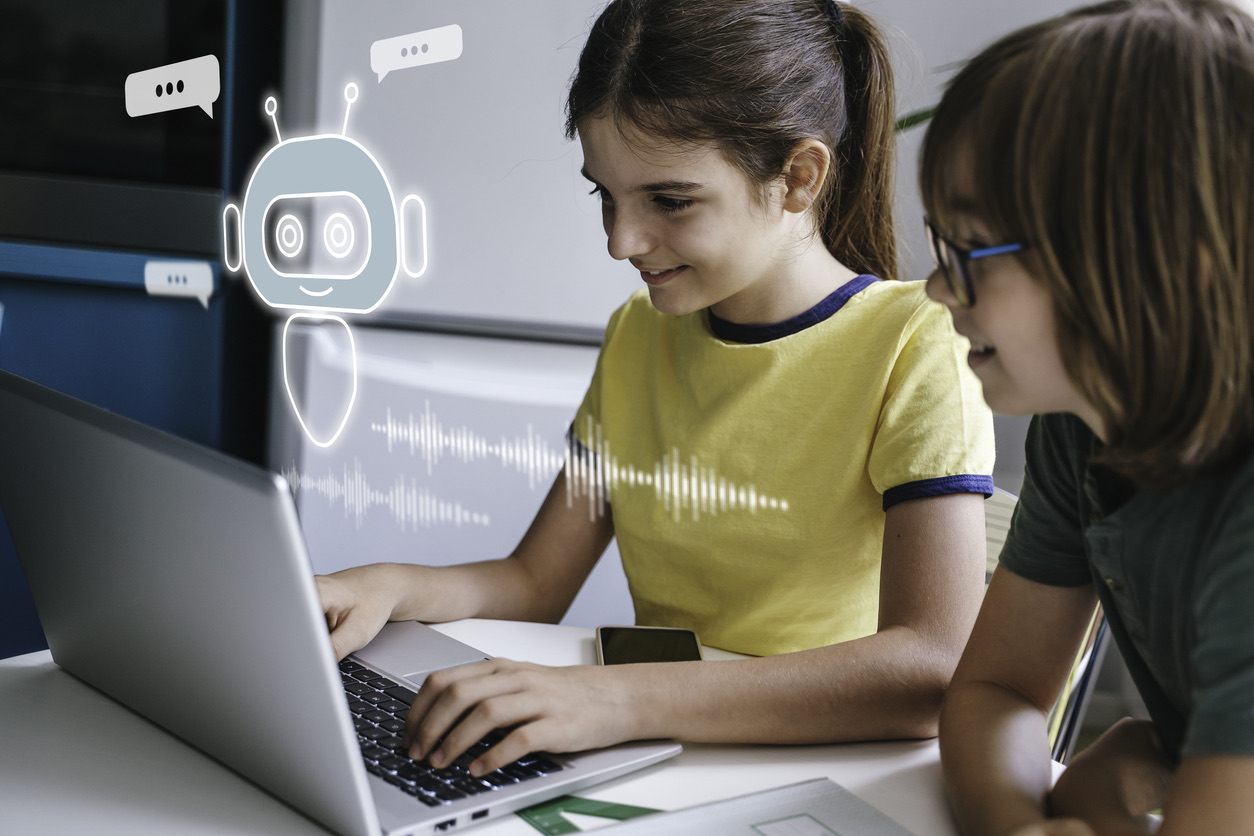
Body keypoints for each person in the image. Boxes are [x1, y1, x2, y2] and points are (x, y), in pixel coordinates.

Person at [319, 0, 994, 777]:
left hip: (813, 768)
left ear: (799, 178)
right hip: (660, 754)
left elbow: (931, 669)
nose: (621, 241)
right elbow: (535, 583)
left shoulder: (915, 343)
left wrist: (613, 701)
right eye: (605, 194)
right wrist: (380, 584)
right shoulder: (639, 335)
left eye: (669, 201)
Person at [921, 1, 1254, 833]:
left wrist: (1099, 789)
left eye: (968, 253)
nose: (935, 290)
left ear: (1160, 263)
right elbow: (995, 692)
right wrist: (1026, 823)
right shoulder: (1083, 429)